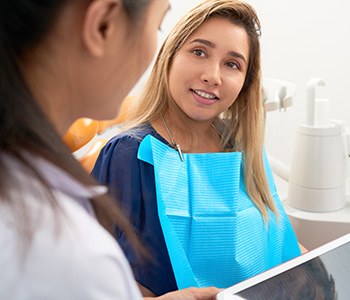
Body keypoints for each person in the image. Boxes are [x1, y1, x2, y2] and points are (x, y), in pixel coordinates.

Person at [0, 0, 218, 299]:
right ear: (104, 24)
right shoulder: (75, 255)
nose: (212, 76)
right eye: (156, 26)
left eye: (233, 64)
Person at [91, 0, 303, 297]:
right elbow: (95, 280)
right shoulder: (130, 154)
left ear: (245, 82)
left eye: (232, 64)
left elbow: (280, 245)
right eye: (199, 52)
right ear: (170, 56)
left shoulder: (242, 149)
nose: (212, 76)